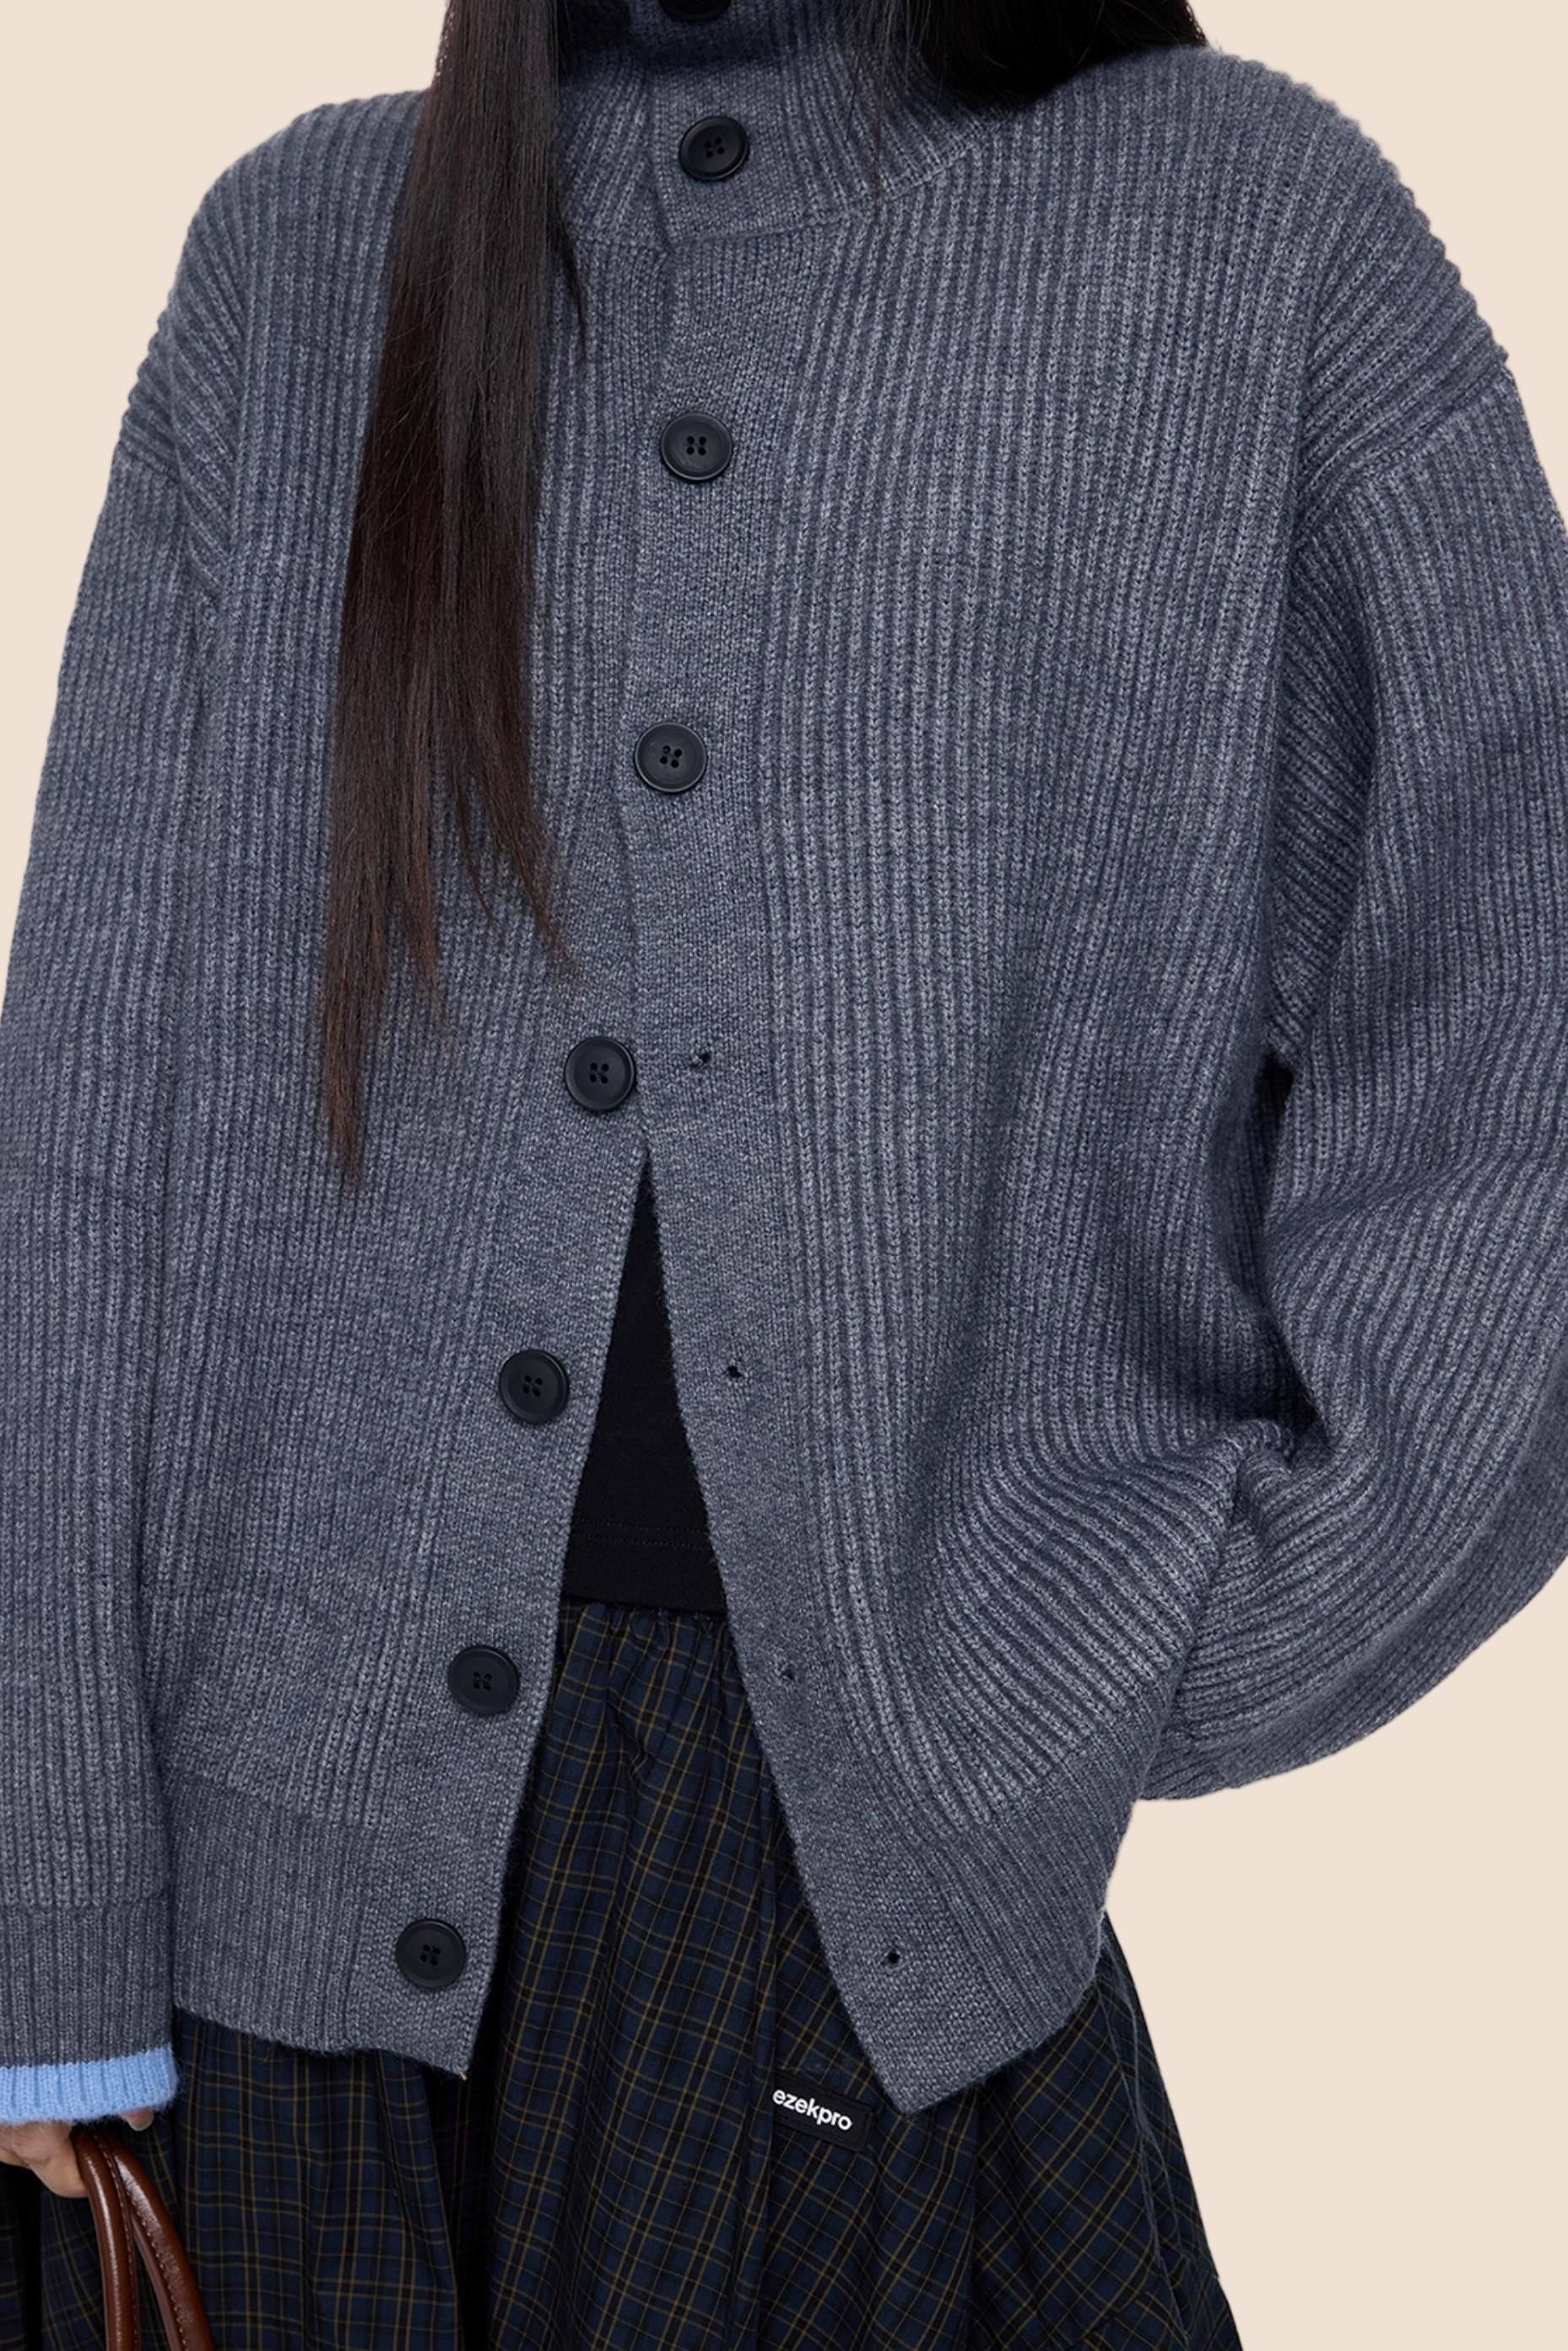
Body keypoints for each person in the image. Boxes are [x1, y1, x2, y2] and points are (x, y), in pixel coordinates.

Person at [3, 0, 1565, 2337]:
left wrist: (1137, 1636)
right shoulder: (299, 259)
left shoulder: (1251, 244)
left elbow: (1516, 1018)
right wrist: (45, 1917)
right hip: (253, 1973)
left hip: (851, 1912)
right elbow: (80, 1151)